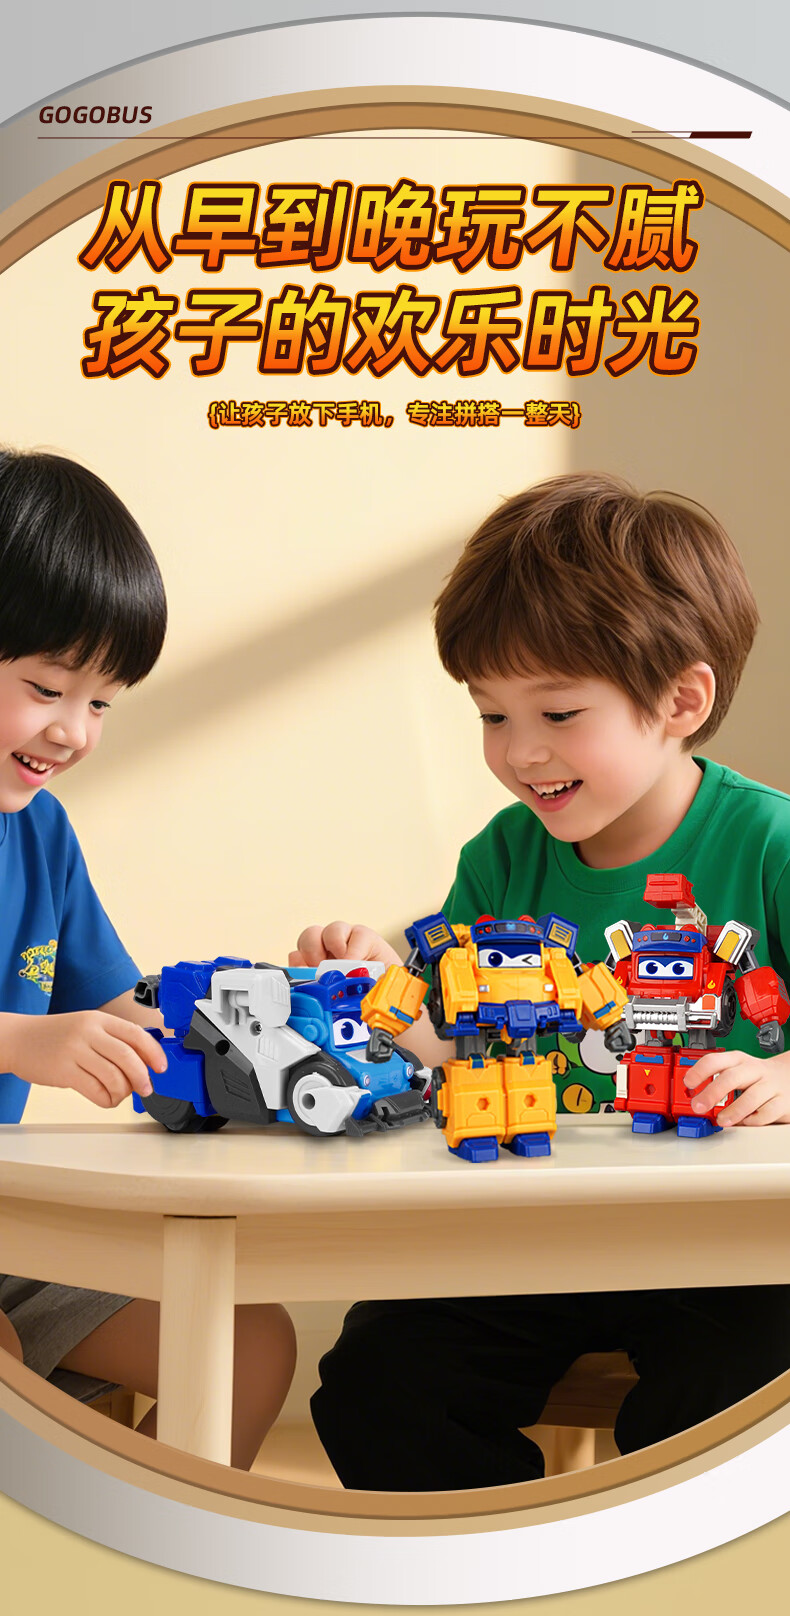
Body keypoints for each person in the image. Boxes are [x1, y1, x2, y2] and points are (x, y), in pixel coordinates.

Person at [292, 470, 790, 1491]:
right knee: (381, 1384)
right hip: (533, 1237)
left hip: (735, 1252)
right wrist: (378, 989)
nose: (520, 752)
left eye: (559, 712)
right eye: (490, 715)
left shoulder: (767, 844)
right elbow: (448, 1044)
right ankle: (499, 1560)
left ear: (681, 699)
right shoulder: (501, 859)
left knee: (724, 1403)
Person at [0, 448, 295, 1470]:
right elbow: (43, 1035)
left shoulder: (38, 832)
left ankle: (152, 1543)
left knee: (246, 1342)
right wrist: (22, 1040)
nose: (74, 731)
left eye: (102, 703)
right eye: (48, 687)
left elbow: (127, 1004)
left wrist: (276, 1006)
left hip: (11, 1230)